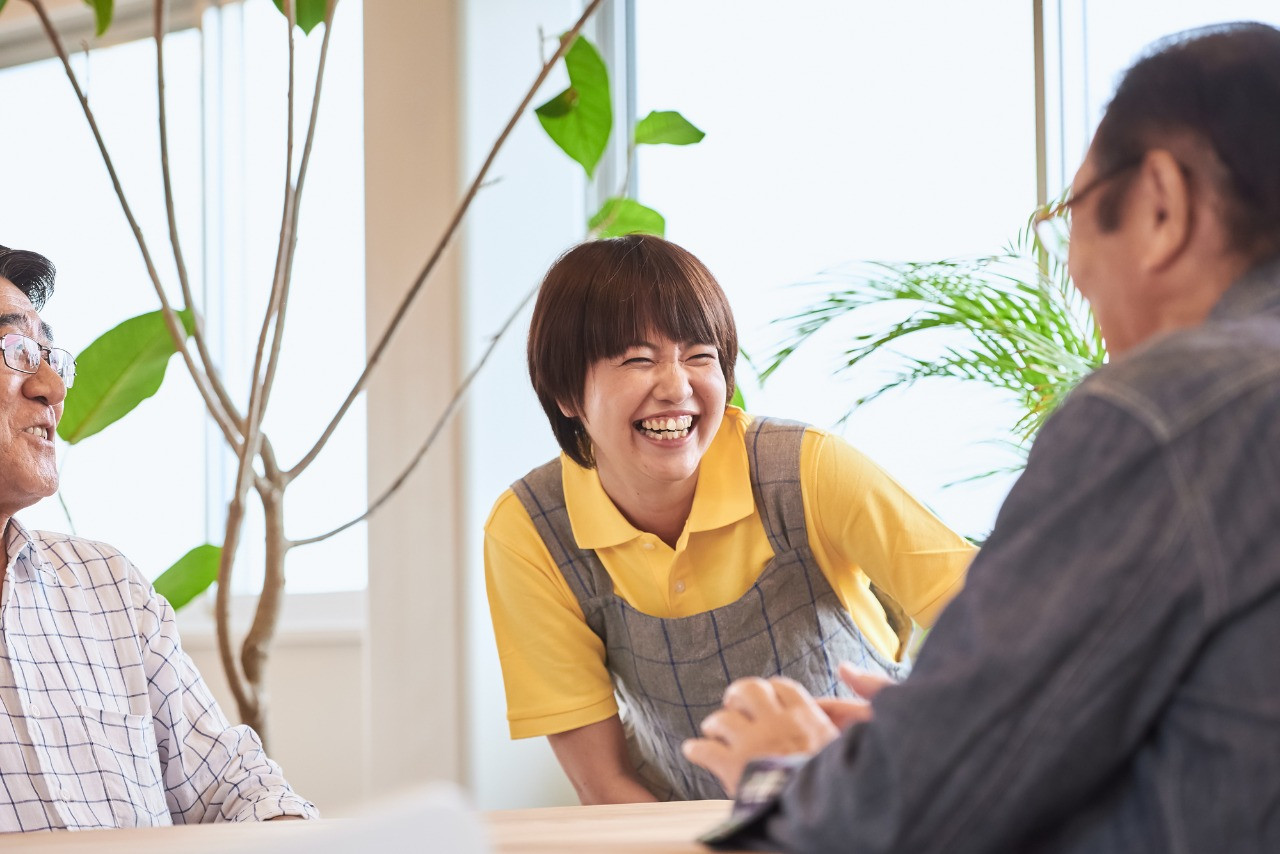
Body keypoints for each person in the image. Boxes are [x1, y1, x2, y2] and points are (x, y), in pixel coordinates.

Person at [684, 21, 1280, 853]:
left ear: (1160, 202)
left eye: (1068, 210)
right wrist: (956, 729)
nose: (1070, 267)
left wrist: (798, 771)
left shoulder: (1169, 412)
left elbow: (898, 827)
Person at [483, 234, 976, 804]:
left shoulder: (808, 468)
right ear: (567, 392)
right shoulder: (530, 530)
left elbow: (997, 620)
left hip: (875, 811)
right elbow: (603, 783)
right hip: (678, 829)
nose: (676, 387)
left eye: (700, 356)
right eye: (638, 359)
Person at [0, 245, 317, 831]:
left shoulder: (111, 587)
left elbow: (238, 786)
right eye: (18, 351)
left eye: (49, 356)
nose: (51, 387)